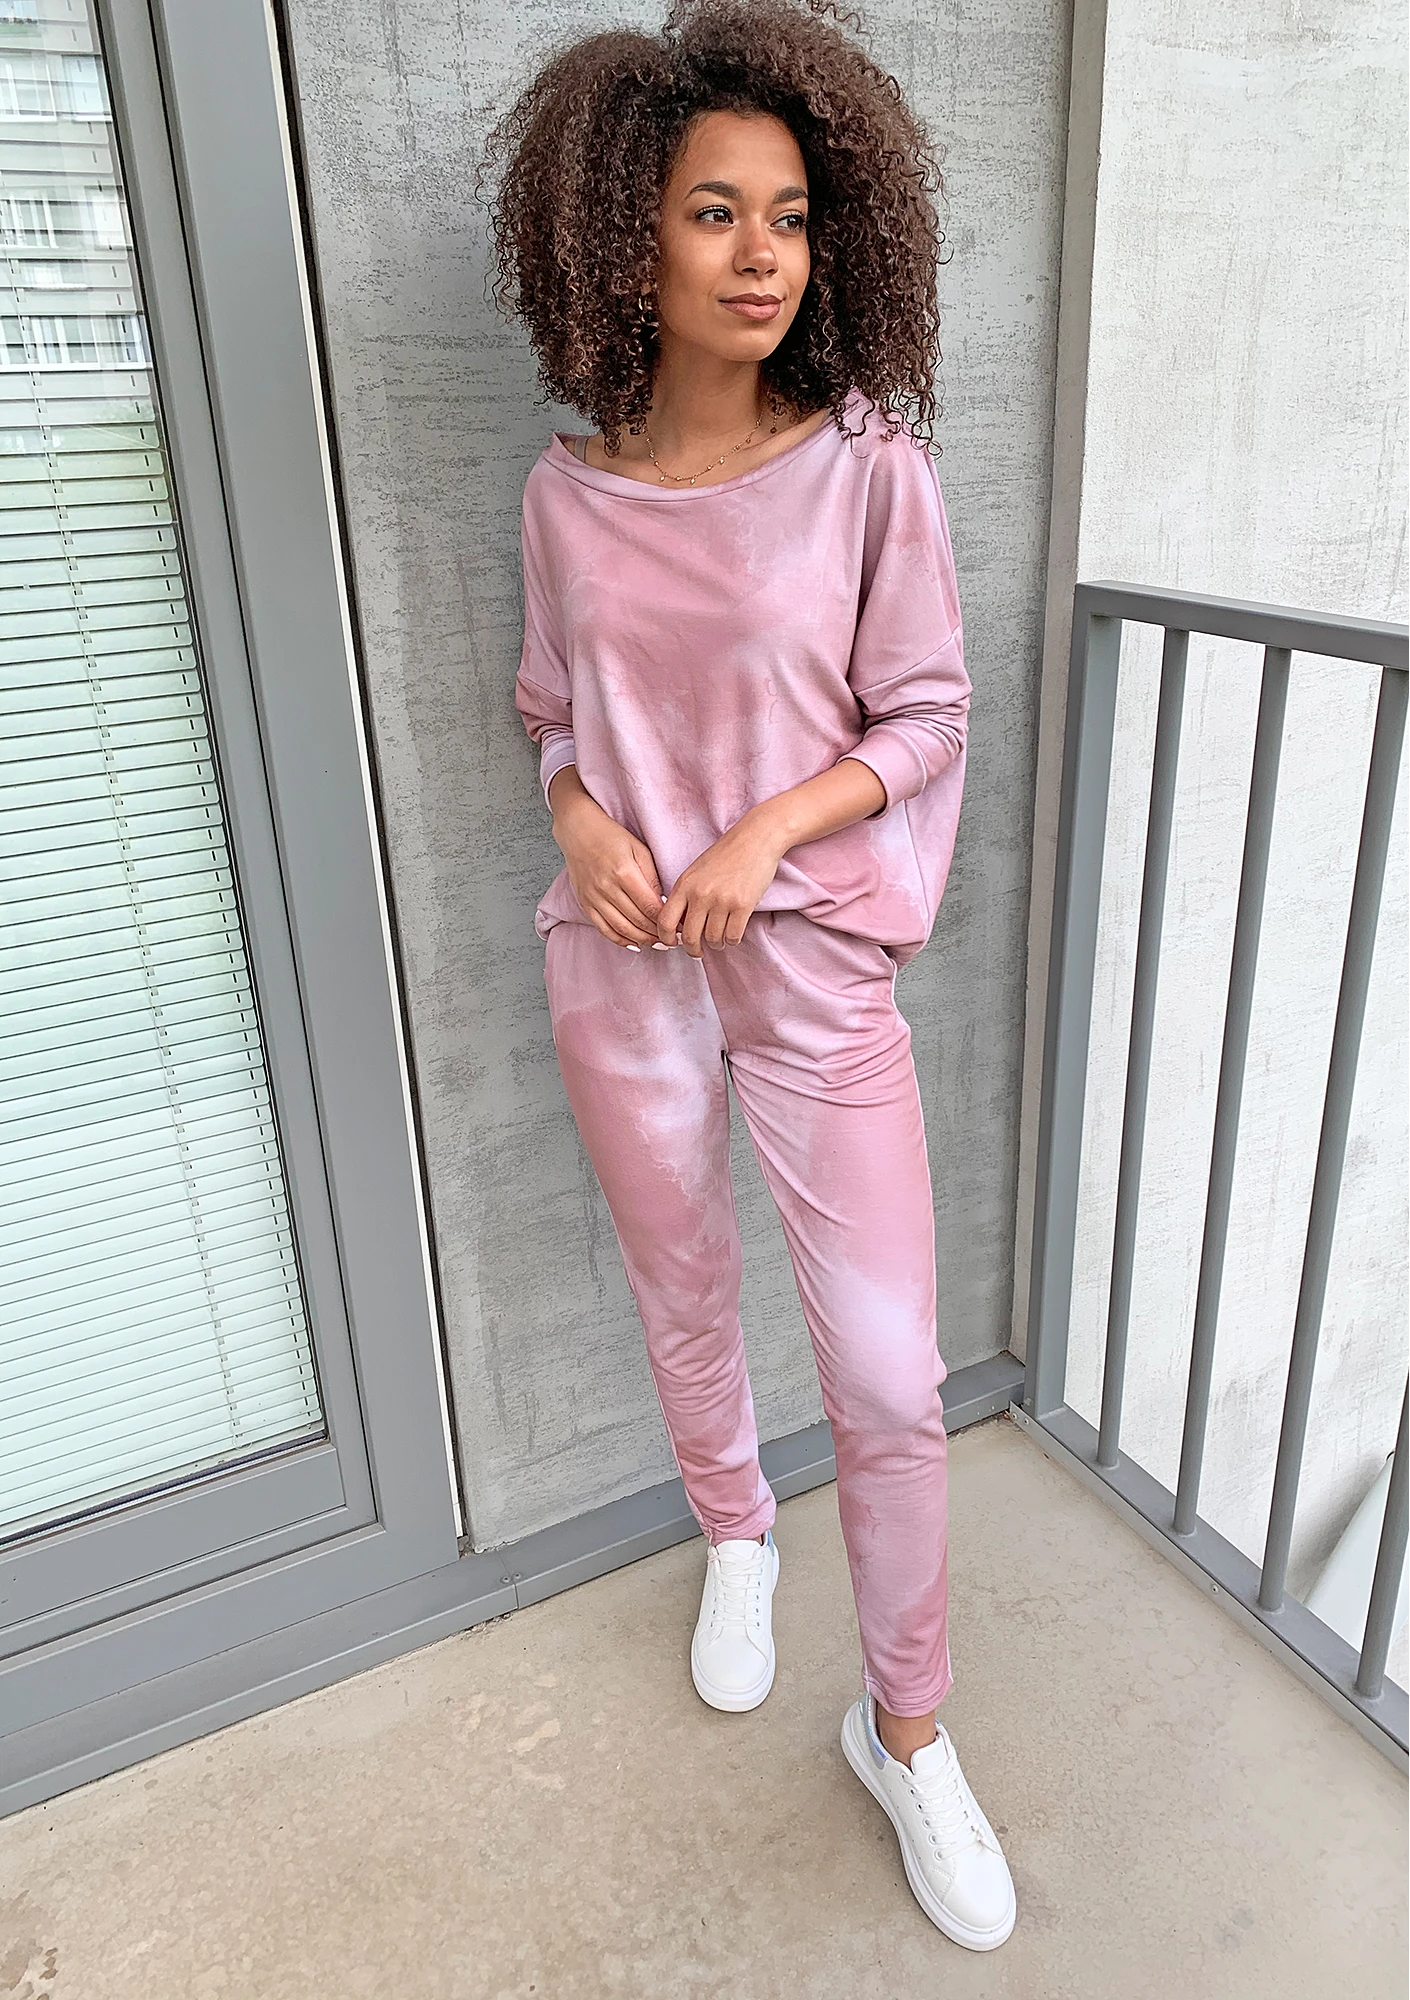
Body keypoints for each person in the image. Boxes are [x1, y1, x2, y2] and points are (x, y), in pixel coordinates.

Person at [482, 0, 1016, 1952]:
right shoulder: (565, 494)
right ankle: (734, 1528)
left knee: (884, 1368)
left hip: (807, 969)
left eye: (789, 214)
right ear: (625, 236)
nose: (761, 252)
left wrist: (765, 832)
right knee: (680, 1282)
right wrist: (578, 820)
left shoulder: (866, 467)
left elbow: (928, 713)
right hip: (622, 966)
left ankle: (908, 1729)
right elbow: (552, 712)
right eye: (715, 211)